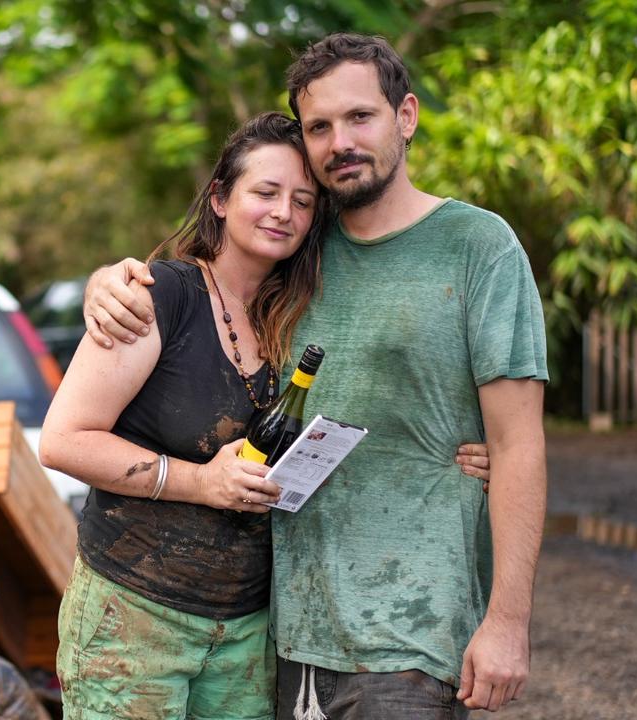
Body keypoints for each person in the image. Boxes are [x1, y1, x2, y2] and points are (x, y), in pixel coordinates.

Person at [81, 33, 547, 719]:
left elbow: (518, 444)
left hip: (410, 633)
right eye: (319, 127)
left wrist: (507, 623)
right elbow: (203, 285)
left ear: (406, 116)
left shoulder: (477, 246)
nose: (340, 142)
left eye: (360, 117)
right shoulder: (297, 245)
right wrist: (109, 280)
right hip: (283, 628)